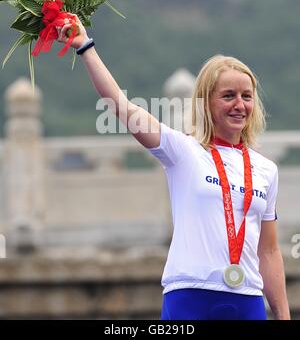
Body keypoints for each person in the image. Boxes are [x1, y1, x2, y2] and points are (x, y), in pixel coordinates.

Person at [56, 17, 290, 320]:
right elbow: (122, 106)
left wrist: (283, 315)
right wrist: (85, 46)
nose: (239, 105)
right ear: (206, 102)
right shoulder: (183, 151)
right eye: (228, 96)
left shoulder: (265, 169)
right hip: (189, 295)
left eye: (247, 96)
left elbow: (269, 252)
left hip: (247, 300)